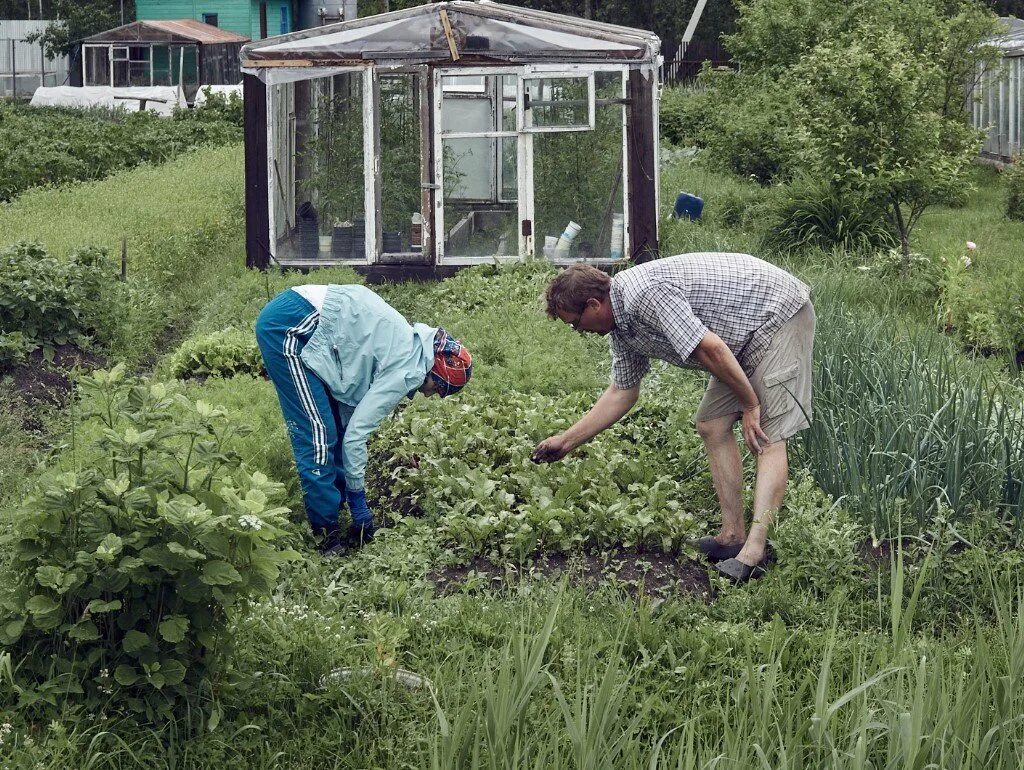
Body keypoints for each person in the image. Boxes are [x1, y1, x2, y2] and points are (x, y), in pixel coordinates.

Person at [532, 254, 814, 583]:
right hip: (738, 338)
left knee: (767, 435)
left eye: (575, 323)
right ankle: (732, 537)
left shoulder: (644, 296)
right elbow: (623, 393)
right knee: (713, 424)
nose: (578, 331)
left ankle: (754, 552)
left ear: (594, 304)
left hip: (777, 316)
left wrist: (750, 406)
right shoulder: (621, 326)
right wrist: (566, 442)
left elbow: (710, 350)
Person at [256, 283, 472, 556]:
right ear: (435, 373)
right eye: (439, 389)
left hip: (306, 316)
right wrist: (358, 500)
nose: (431, 396)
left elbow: (349, 423)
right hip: (290, 327)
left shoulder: (408, 343)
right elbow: (357, 435)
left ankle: (333, 509)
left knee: (335, 427)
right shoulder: (408, 369)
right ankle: (327, 536)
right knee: (319, 435)